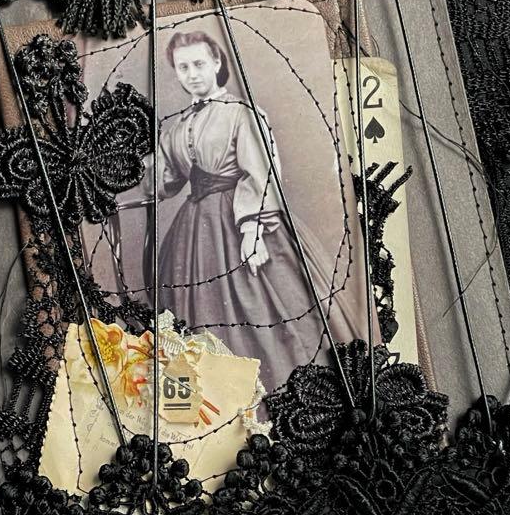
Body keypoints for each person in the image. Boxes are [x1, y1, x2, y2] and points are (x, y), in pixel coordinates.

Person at [148, 27, 365, 393]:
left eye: (199, 64)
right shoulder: (176, 127)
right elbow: (165, 181)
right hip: (194, 235)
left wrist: (252, 231)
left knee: (266, 311)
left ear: (217, 63)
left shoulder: (242, 114)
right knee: (195, 319)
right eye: (183, 67)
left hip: (243, 223)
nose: (192, 74)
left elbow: (261, 173)